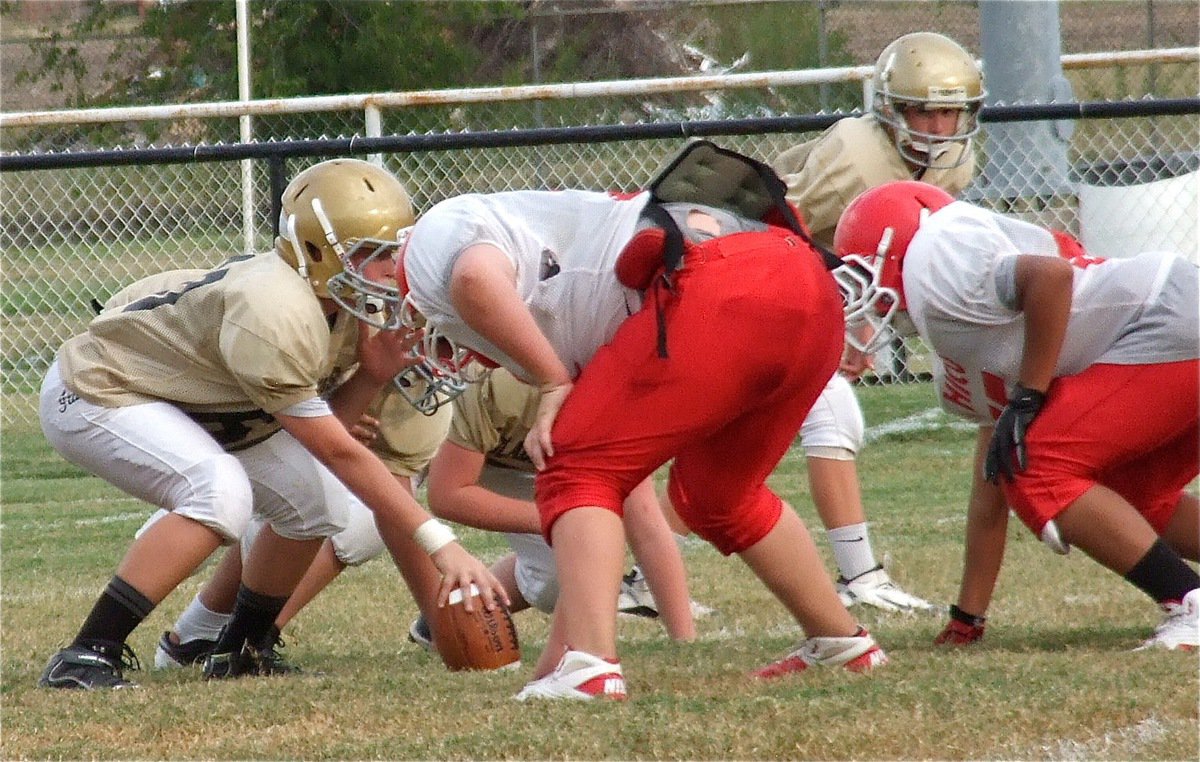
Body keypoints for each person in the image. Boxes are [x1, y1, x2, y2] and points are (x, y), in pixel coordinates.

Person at [335, 142, 890, 701]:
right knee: (719, 495)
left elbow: (475, 279)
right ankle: (841, 642)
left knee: (575, 466)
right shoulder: (553, 259)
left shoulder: (436, 239)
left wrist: (553, 379)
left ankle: (591, 667)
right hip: (803, 280)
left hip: (716, 282)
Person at [36, 158, 505, 690]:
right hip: (101, 390)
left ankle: (240, 648)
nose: (388, 269)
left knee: (318, 504)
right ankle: (89, 653)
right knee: (218, 492)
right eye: (371, 255)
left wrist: (370, 376)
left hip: (202, 408)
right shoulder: (275, 305)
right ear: (314, 250)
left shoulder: (343, 305)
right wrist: (442, 544)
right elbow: (339, 451)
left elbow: (321, 443)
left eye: (394, 250)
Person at [833, 179, 1199, 651]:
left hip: (1169, 320)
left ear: (897, 248)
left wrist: (1030, 392)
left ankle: (1188, 601)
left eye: (864, 273)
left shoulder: (939, 259)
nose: (859, 294)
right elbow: (991, 487)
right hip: (1171, 319)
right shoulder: (958, 344)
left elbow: (1050, 278)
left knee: (1037, 464)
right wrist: (968, 616)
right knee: (1132, 497)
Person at [769, 31, 985, 612]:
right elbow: (786, 236)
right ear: (891, 109)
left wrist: (866, 327)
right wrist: (840, 328)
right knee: (834, 421)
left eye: (952, 111)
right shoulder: (856, 160)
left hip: (840, 284)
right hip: (776, 275)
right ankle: (860, 577)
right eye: (927, 111)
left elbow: (895, 254)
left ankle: (637, 575)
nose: (941, 128)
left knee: (736, 458)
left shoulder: (953, 161)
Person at [153, 375, 453, 668]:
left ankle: (219, 636)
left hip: (306, 405)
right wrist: (322, 412)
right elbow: (275, 361)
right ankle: (230, 638)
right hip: (245, 412)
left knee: (327, 512)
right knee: (322, 507)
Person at [414, 366, 699, 646]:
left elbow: (646, 520)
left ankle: (461, 605)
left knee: (563, 572)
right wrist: (562, 520)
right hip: (473, 455)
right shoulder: (496, 384)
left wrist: (684, 638)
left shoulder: (614, 394)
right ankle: (445, 609)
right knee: (576, 556)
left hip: (539, 459)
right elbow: (449, 493)